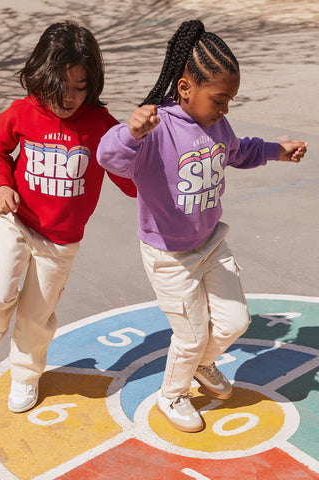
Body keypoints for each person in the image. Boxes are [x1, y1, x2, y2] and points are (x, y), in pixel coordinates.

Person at [97, 19, 307, 432]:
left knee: (235, 322)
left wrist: (275, 152)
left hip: (211, 243)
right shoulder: (156, 128)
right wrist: (130, 133)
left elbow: (238, 151)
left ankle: (202, 365)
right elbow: (110, 157)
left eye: (230, 100)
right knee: (190, 336)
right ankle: (171, 396)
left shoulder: (215, 125)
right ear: (185, 88)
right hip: (169, 256)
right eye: (220, 99)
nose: (225, 108)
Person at [0, 21, 136, 414]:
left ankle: (25, 377)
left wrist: (141, 148)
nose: (71, 97)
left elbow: (130, 182)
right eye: (62, 86)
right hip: (18, 221)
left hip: (60, 244)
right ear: (42, 77)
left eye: (81, 86)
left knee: (35, 318)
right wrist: (0, 185)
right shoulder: (21, 113)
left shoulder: (101, 127)